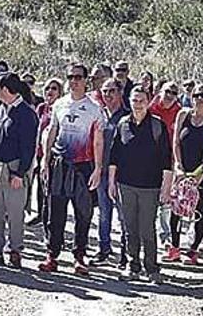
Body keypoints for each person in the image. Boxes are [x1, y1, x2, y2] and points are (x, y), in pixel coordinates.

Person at [39, 62, 106, 276]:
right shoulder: (59, 104)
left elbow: (98, 140)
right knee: (55, 212)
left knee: (83, 213)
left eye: (78, 77)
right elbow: (52, 131)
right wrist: (45, 159)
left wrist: (97, 169)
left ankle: (79, 256)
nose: (74, 81)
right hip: (59, 163)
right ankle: (52, 255)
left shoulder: (95, 108)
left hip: (83, 166)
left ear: (86, 80)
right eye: (70, 77)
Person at [108, 85, 173, 284]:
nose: (138, 104)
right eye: (134, 100)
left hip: (150, 186)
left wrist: (166, 187)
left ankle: (152, 268)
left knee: (147, 229)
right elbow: (114, 156)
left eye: (142, 101)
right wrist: (111, 183)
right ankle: (132, 265)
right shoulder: (123, 124)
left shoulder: (157, 126)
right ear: (129, 101)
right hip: (126, 185)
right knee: (129, 228)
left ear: (148, 101)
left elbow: (166, 159)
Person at [0, 73, 39, 268]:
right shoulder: (2, 110)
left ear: (6, 90)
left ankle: (15, 250)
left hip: (14, 169)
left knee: (15, 212)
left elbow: (28, 147)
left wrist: (20, 173)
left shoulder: (26, 113)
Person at [164, 84, 203, 266]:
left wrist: (201, 174)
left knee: (199, 211)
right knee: (176, 210)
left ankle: (193, 250)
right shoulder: (183, 115)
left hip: (202, 173)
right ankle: (174, 247)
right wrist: (179, 168)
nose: (199, 98)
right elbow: (176, 143)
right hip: (183, 170)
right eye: (196, 95)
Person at [93, 79, 130, 268]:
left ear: (120, 92)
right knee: (103, 213)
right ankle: (104, 249)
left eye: (112, 91)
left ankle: (126, 254)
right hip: (101, 171)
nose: (108, 95)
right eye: (105, 91)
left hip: (121, 174)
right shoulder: (99, 115)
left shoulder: (127, 117)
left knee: (123, 215)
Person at [148, 81, 182, 247]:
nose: (170, 95)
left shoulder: (180, 112)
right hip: (150, 158)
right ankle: (148, 232)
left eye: (174, 93)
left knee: (167, 198)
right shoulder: (151, 108)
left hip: (170, 159)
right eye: (167, 91)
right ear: (160, 91)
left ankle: (165, 235)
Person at [28, 78, 63, 227]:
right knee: (39, 186)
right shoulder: (41, 107)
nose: (50, 91)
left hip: (54, 155)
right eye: (48, 88)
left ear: (60, 92)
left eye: (54, 88)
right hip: (39, 153)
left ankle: (51, 220)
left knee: (51, 189)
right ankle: (41, 215)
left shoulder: (62, 108)